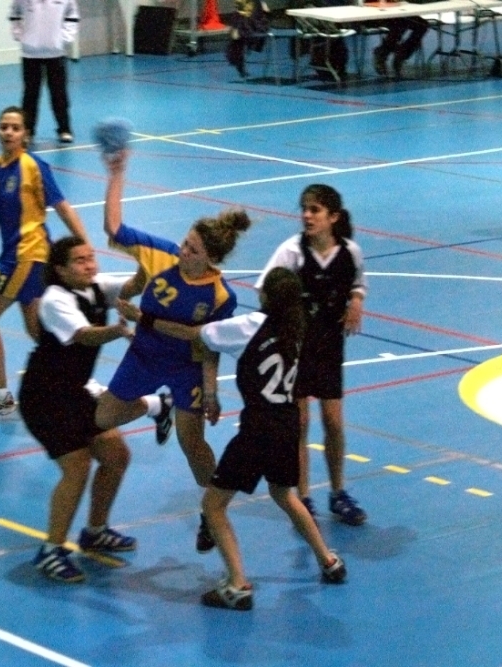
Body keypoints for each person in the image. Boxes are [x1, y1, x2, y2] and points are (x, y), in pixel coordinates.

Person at [118, 267, 348, 611]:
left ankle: (238, 585)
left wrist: (144, 318)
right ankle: (329, 560)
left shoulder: (249, 326)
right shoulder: (295, 330)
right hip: (287, 422)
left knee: (213, 505)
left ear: (266, 296)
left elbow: (195, 334)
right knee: (284, 493)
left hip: (258, 428)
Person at [94, 150, 251, 554]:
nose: (184, 251)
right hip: (144, 355)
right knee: (103, 416)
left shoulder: (220, 295)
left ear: (211, 259)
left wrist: (212, 393)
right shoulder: (162, 255)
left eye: (194, 250)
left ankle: (211, 511)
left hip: (186, 367)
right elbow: (113, 227)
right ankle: (154, 406)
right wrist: (118, 173)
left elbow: (207, 344)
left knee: (192, 444)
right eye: (186, 242)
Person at [20, 236, 171, 582]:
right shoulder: (55, 301)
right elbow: (84, 335)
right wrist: (118, 330)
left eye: (91, 258)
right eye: (79, 260)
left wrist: (146, 258)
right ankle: (51, 551)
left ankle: (95, 531)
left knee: (117, 455)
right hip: (45, 399)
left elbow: (135, 284)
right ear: (60, 270)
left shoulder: (96, 288)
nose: (90, 265)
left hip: (74, 391)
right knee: (76, 466)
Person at [0, 106, 87, 421]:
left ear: (25, 135)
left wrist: (83, 244)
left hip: (27, 255)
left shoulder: (33, 166)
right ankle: (81, 383)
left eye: (15, 128)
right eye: (3, 126)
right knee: (38, 329)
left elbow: (61, 206)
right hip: (13, 256)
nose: (8, 132)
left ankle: (0, 397)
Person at [257, 183, 367, 526]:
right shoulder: (292, 252)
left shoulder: (350, 252)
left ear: (333, 216)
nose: (307, 215)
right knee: (300, 424)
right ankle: (303, 497)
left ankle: (338, 493)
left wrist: (357, 301)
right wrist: (285, 318)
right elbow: (264, 289)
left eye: (315, 209)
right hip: (297, 349)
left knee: (333, 423)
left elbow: (358, 281)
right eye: (304, 208)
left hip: (330, 346)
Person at [9, 0, 79, 145]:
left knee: (59, 93)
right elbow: (14, 14)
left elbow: (72, 16)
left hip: (56, 53)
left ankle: (64, 129)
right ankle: (28, 131)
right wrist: (20, 36)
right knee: (30, 95)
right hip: (30, 54)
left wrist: (65, 38)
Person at [224, 0, 269, 79]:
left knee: (239, 34)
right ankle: (239, 63)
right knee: (238, 36)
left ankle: (239, 61)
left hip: (253, 22)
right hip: (249, 21)